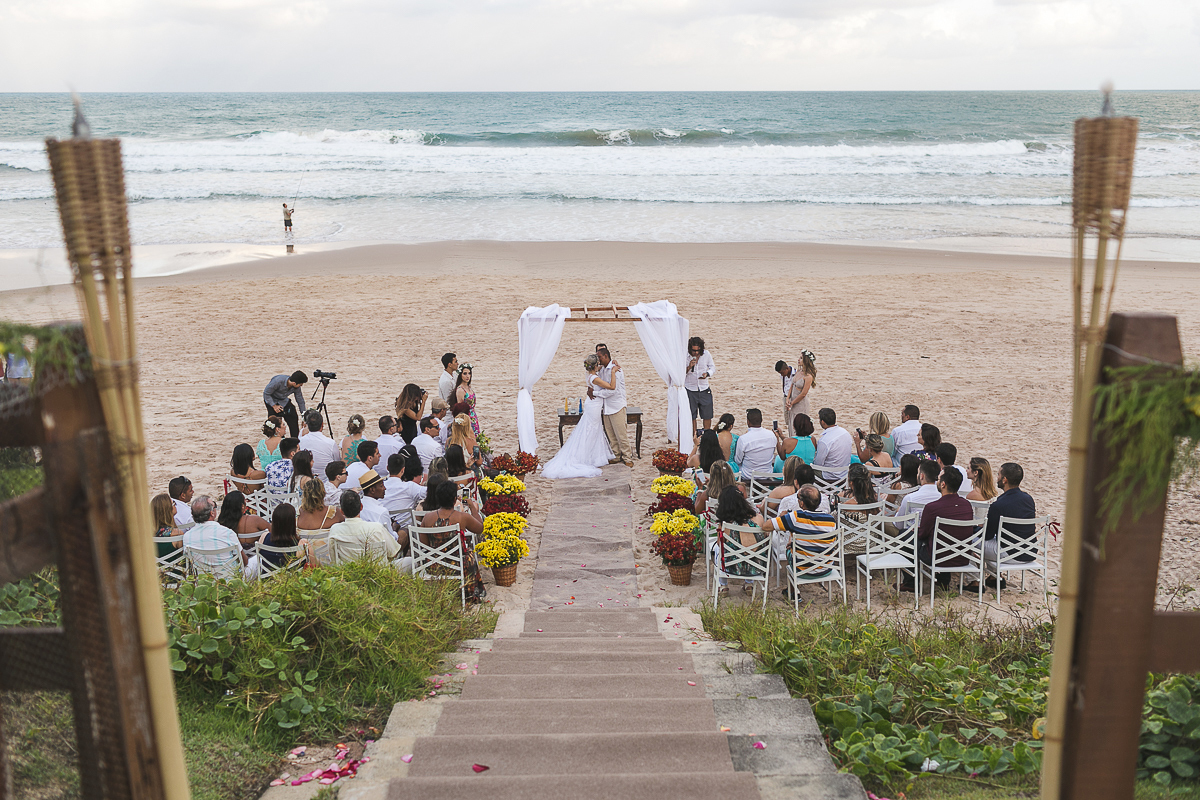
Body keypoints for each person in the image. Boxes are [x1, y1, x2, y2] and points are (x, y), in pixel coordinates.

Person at [542, 354, 616, 479]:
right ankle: (587, 457)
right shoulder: (595, 378)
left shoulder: (590, 375)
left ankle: (593, 457)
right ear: (595, 365)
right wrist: (613, 372)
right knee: (590, 431)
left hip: (593, 404)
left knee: (593, 430)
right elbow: (611, 386)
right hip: (593, 406)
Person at [761, 483, 838, 596]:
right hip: (826, 568)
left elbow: (766, 526)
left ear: (801, 503)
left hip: (802, 569)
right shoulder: (830, 520)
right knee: (794, 544)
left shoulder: (795, 518)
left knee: (790, 549)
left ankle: (792, 592)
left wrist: (781, 517)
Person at [905, 468, 975, 590]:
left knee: (906, 537)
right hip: (962, 557)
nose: (937, 481)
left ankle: (910, 582)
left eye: (938, 479)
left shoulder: (933, 507)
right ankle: (943, 581)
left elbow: (922, 535)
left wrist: (915, 530)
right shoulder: (967, 505)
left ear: (943, 484)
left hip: (938, 558)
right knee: (947, 536)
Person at [419, 480, 486, 603]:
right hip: (457, 566)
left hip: (434, 566)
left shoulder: (427, 518)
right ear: (455, 499)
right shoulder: (462, 517)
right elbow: (480, 528)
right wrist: (472, 507)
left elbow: (424, 545)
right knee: (469, 554)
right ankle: (470, 594)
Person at [328, 491, 412, 572]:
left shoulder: (335, 530)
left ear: (341, 511)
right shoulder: (377, 528)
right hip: (379, 577)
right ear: (361, 507)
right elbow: (393, 553)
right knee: (412, 561)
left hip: (349, 577)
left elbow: (334, 559)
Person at [979, 462, 1037, 573]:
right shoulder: (1029, 499)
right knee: (997, 539)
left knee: (970, 540)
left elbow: (987, 536)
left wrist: (977, 528)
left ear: (1005, 480)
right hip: (1030, 552)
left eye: (998, 475)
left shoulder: (998, 505)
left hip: (1010, 554)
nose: (997, 478)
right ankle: (993, 577)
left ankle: (974, 579)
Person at [712, 485, 766, 593]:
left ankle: (723, 586)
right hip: (756, 568)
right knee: (752, 549)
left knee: (718, 549)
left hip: (730, 567)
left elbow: (719, 544)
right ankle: (749, 584)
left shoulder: (725, 524)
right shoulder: (758, 518)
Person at [183, 495, 248, 574]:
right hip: (230, 581)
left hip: (203, 582)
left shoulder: (187, 537)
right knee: (257, 560)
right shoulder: (227, 533)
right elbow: (244, 562)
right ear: (212, 513)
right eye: (215, 507)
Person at [593, 345, 632, 467]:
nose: (598, 360)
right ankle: (616, 455)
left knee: (621, 434)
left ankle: (627, 457)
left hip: (616, 405)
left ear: (606, 356)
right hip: (606, 406)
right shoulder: (603, 369)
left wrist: (595, 393)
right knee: (611, 434)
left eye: (599, 357)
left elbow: (612, 390)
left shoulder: (616, 370)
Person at [895, 460, 943, 530]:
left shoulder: (910, 498)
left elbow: (899, 525)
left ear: (921, 476)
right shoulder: (942, 497)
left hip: (912, 536)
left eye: (918, 472)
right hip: (935, 535)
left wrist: (897, 512)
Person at [811, 408, 853, 482]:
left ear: (823, 422)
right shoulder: (845, 433)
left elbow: (818, 465)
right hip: (844, 472)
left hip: (829, 475)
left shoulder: (824, 440)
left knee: (807, 470)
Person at [684, 336, 716, 431]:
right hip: (690, 389)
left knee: (707, 414)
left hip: (704, 388)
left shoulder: (706, 354)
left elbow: (712, 367)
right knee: (692, 415)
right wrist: (689, 367)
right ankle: (694, 436)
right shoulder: (685, 356)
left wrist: (707, 374)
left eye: (698, 350)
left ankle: (706, 434)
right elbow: (680, 373)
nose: (696, 353)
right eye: (694, 351)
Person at [262, 371, 307, 438]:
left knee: (293, 417)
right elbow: (266, 394)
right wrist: (274, 406)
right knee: (275, 424)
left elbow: (300, 401)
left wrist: (304, 417)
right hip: (271, 400)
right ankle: (279, 441)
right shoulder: (277, 381)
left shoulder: (296, 387)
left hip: (283, 401)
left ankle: (295, 441)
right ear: (294, 383)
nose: (301, 385)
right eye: (300, 384)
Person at [733, 408, 776, 480]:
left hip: (748, 475)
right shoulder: (771, 435)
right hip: (767, 473)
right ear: (761, 420)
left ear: (748, 422)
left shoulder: (744, 439)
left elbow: (738, 460)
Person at [383, 452, 427, 519]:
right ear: (403, 470)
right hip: (406, 526)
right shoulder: (410, 487)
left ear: (387, 468)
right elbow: (429, 492)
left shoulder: (380, 488)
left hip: (385, 524)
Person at [298, 410, 340, 478]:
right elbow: (337, 461)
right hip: (325, 482)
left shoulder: (300, 441)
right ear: (322, 425)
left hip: (305, 482)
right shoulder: (330, 443)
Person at [151, 493, 184, 558]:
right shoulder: (177, 533)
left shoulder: (149, 534)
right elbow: (186, 555)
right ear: (169, 509)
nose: (175, 505)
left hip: (157, 567)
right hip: (176, 567)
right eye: (173, 503)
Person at [453, 363, 481, 436]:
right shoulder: (460, 390)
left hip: (473, 416)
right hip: (467, 417)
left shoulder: (468, 388)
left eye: (469, 373)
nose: (467, 376)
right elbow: (460, 408)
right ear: (460, 375)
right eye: (465, 373)